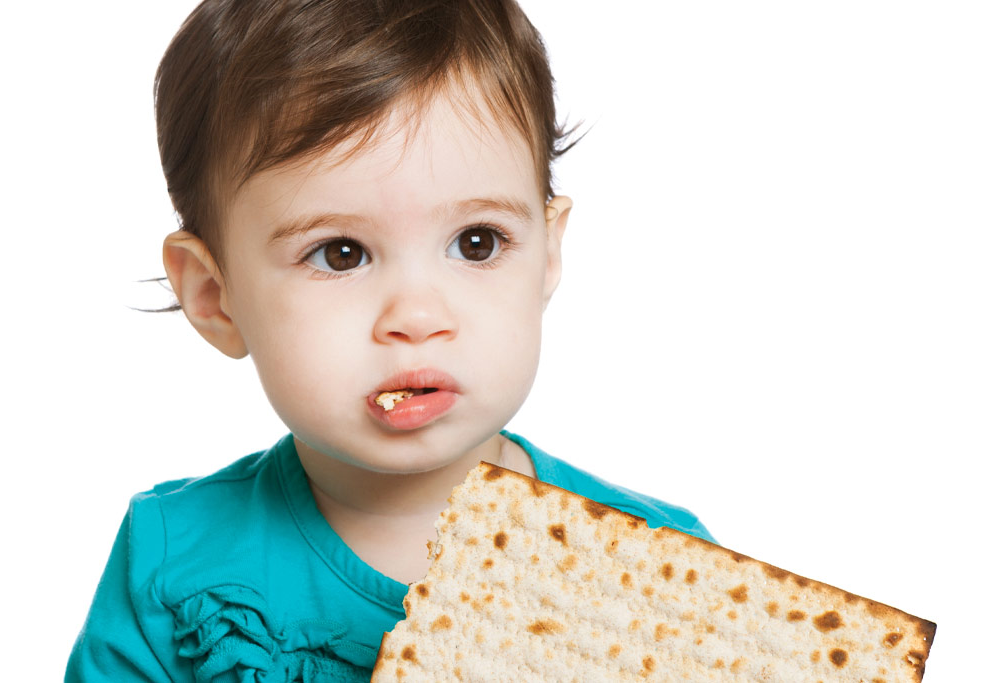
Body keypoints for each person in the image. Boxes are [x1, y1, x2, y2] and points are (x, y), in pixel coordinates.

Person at [66, 1, 715, 680]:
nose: (416, 314)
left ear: (548, 255)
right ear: (213, 295)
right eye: (342, 253)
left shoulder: (664, 572)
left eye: (476, 242)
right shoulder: (173, 568)